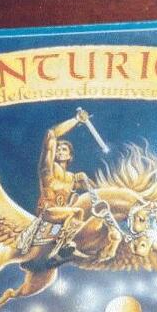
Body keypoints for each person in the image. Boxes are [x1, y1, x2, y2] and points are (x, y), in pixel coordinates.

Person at [37, 109, 93, 259]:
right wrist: (76, 120)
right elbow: (51, 134)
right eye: (58, 149)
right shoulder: (48, 167)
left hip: (62, 217)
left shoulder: (71, 177)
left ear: (70, 156)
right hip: (48, 212)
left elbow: (94, 192)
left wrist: (85, 180)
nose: (60, 152)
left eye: (64, 149)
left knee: (81, 207)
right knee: (77, 212)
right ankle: (64, 246)